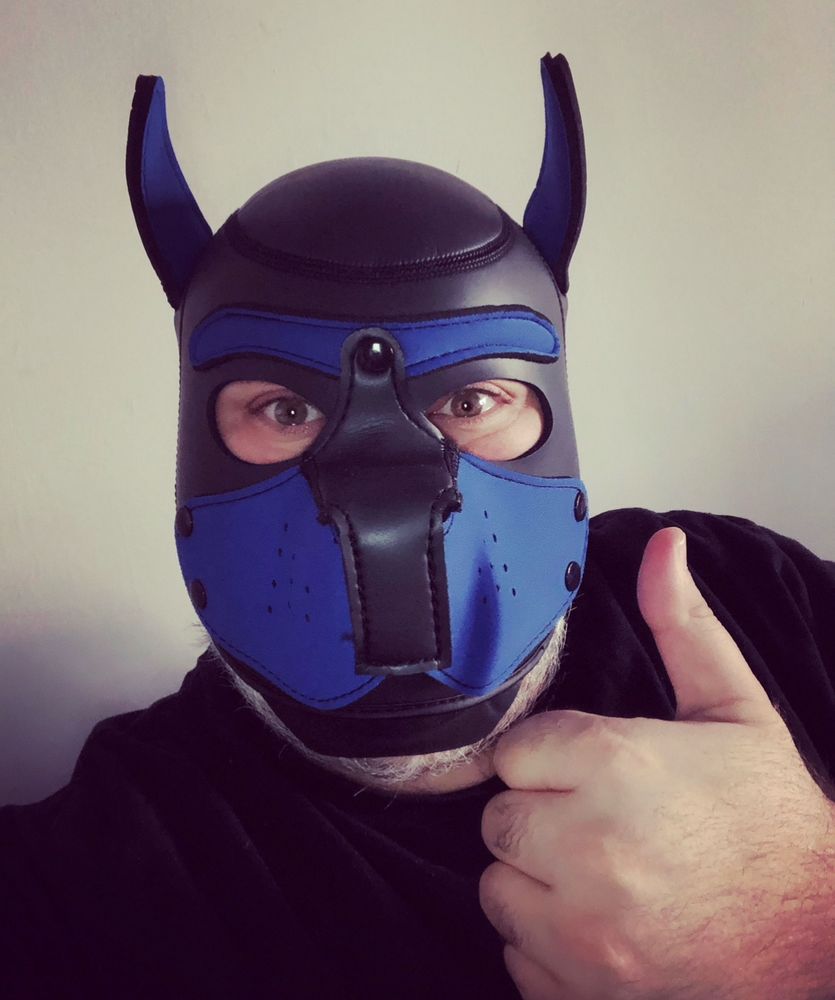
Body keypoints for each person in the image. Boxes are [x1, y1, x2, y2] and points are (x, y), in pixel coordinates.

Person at [1, 53, 833, 1000]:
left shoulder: (759, 600)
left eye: (469, 398)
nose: (386, 503)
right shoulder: (104, 875)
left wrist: (803, 927)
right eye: (286, 409)